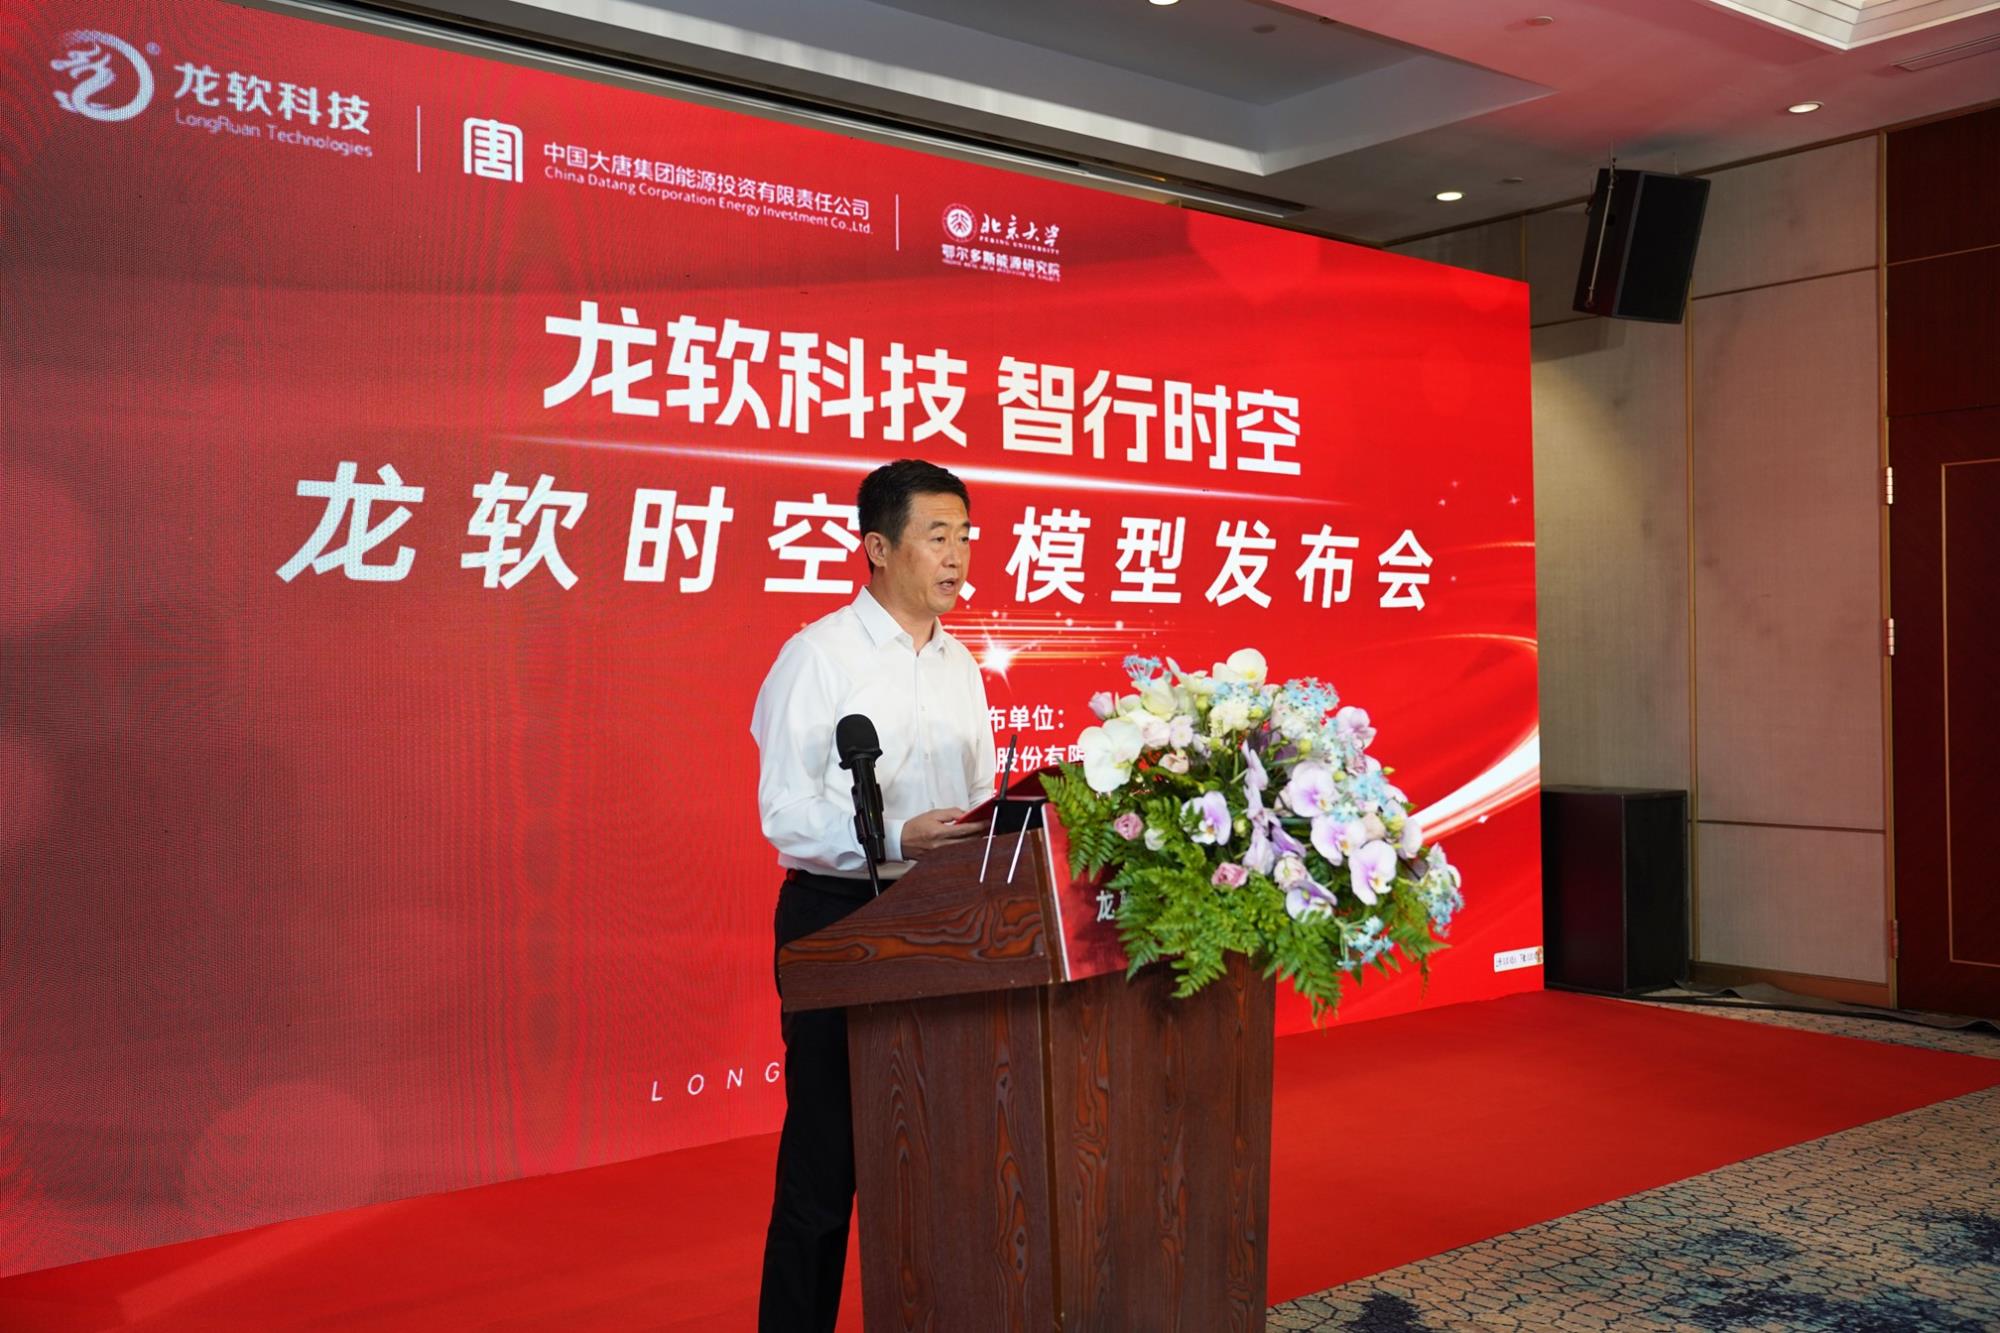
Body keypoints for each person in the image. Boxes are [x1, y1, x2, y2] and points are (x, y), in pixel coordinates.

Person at [751, 458, 996, 1331]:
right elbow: (784, 811)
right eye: (937, 536)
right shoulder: (819, 657)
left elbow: (979, 794)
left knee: (939, 1156)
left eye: (964, 536)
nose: (957, 554)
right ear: (878, 547)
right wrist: (895, 837)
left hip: (941, 921)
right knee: (827, 1165)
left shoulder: (962, 664)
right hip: (839, 918)